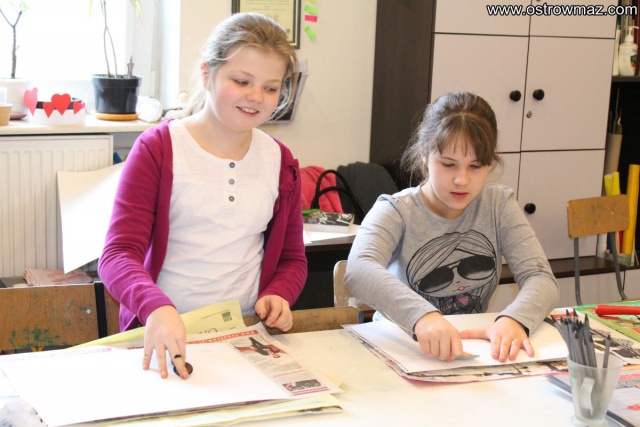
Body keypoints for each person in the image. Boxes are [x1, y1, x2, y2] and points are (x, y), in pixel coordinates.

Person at [98, 12, 307, 379]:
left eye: (271, 88)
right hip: (165, 331)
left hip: (244, 332)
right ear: (207, 74)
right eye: (241, 81)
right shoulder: (158, 148)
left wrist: (279, 293)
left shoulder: (281, 160)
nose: (256, 97)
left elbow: (292, 258)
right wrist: (156, 308)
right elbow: (117, 255)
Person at [344, 92, 558, 364]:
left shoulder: (498, 205)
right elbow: (358, 269)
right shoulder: (396, 210)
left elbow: (541, 278)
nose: (461, 180)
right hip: (402, 350)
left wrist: (514, 320)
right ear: (424, 155)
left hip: (472, 352)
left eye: (475, 166)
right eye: (448, 164)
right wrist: (422, 316)